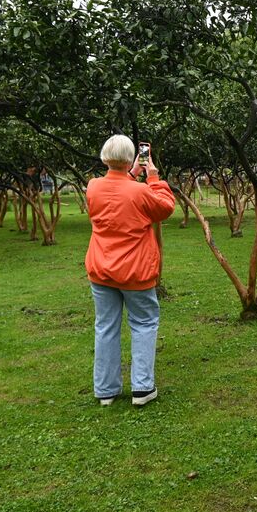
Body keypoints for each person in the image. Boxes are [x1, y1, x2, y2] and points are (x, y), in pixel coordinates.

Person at [86, 135, 174, 407]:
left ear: (104, 157)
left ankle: (106, 391)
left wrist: (131, 173)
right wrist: (154, 177)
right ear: (130, 158)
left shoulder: (93, 187)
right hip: (135, 271)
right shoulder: (140, 191)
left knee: (105, 327)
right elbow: (164, 208)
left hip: (101, 268)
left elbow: (118, 191)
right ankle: (142, 388)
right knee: (144, 324)